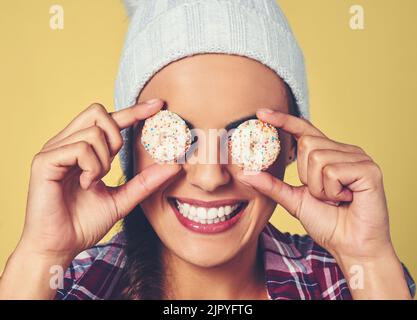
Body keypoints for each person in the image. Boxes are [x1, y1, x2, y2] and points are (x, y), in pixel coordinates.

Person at [0, 0, 414, 300]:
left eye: (246, 134)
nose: (210, 176)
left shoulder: (342, 282)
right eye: (179, 135)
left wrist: (370, 261)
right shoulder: (66, 286)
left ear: (293, 146)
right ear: (128, 144)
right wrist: (41, 256)